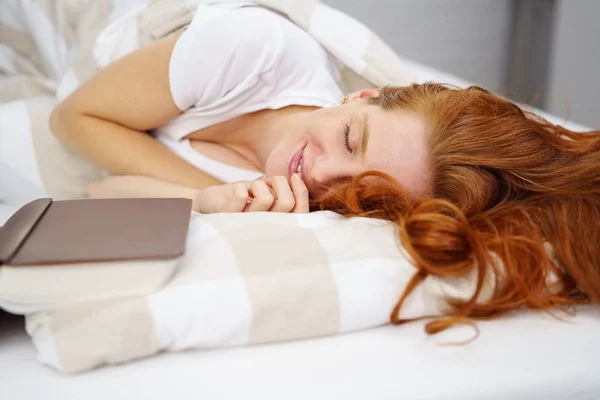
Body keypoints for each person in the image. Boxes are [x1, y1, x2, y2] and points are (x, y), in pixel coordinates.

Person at [49, 7, 600, 331]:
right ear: (361, 95)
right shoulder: (252, 50)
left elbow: (100, 190)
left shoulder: (298, 199)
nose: (320, 172)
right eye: (349, 137)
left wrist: (213, 202)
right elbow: (73, 117)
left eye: (353, 187)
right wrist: (209, 185)